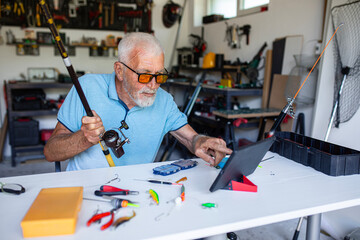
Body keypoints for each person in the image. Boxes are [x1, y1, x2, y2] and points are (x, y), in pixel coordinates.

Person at [44, 32, 232, 171]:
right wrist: (82, 139)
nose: (153, 85)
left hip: (137, 188)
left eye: (160, 76)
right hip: (84, 189)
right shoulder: (86, 87)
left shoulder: (164, 101)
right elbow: (50, 152)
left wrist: (202, 141)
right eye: (144, 76)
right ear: (119, 70)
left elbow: (191, 138)